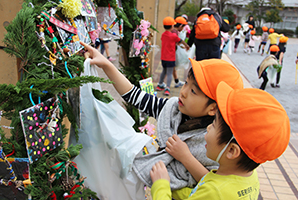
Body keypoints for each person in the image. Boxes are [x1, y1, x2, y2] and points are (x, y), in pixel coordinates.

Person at [80, 40, 244, 199]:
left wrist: (185, 157)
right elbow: (136, 96)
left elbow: (215, 185)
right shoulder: (173, 109)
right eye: (186, 83)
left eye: (193, 91)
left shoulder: (217, 139)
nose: (183, 92)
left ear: (213, 108)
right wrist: (107, 65)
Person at [150, 81, 290, 200]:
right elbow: (198, 192)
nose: (208, 128)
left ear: (231, 150)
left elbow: (206, 192)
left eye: (214, 125)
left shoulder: (215, 192)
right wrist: (174, 190)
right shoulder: (249, 178)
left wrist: (161, 185)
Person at [156, 16, 189, 96]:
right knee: (170, 73)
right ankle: (167, 88)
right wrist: (187, 46)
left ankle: (160, 85)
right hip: (171, 58)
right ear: (172, 26)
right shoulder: (173, 36)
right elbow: (180, 41)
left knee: (164, 71)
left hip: (163, 58)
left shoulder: (163, 35)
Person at [172, 16, 188, 88]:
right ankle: (166, 85)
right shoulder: (174, 32)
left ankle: (176, 81)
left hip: (171, 53)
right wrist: (186, 45)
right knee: (170, 69)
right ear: (181, 25)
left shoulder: (174, 31)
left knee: (173, 68)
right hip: (171, 54)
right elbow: (178, 41)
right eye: (183, 27)